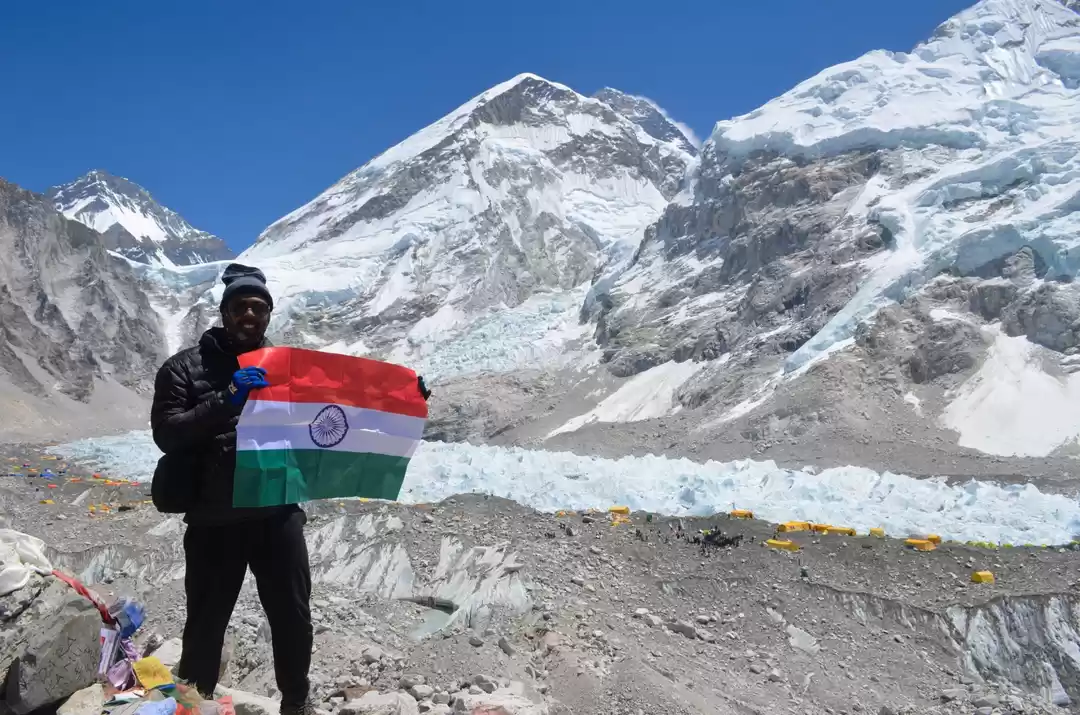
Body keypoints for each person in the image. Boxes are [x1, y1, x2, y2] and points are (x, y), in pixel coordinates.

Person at [150, 263, 314, 715]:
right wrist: (227, 400)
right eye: (240, 307)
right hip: (213, 518)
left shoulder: (287, 369)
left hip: (275, 513)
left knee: (293, 617)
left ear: (268, 316)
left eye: (259, 308)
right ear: (223, 312)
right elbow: (167, 433)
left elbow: (333, 413)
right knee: (204, 622)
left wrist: (401, 399)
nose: (249, 315)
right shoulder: (183, 368)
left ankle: (296, 705)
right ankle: (191, 705)